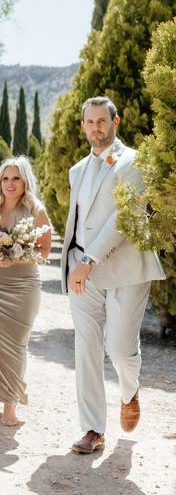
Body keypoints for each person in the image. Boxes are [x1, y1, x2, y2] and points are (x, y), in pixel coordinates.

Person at [61, 96, 165, 454]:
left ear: (115, 122)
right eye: (89, 122)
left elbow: (122, 218)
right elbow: (77, 223)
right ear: (82, 126)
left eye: (102, 121)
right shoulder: (76, 170)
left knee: (119, 348)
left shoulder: (134, 161)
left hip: (126, 268)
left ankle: (129, 391)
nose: (95, 128)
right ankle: (92, 429)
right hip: (83, 271)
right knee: (86, 347)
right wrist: (75, 261)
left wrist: (89, 258)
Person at [0, 157, 52, 427]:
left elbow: (44, 252)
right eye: (5, 178)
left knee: (16, 346)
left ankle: (10, 407)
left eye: (16, 178)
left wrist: (16, 259)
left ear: (25, 181)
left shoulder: (36, 211)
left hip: (23, 287)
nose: (10, 184)